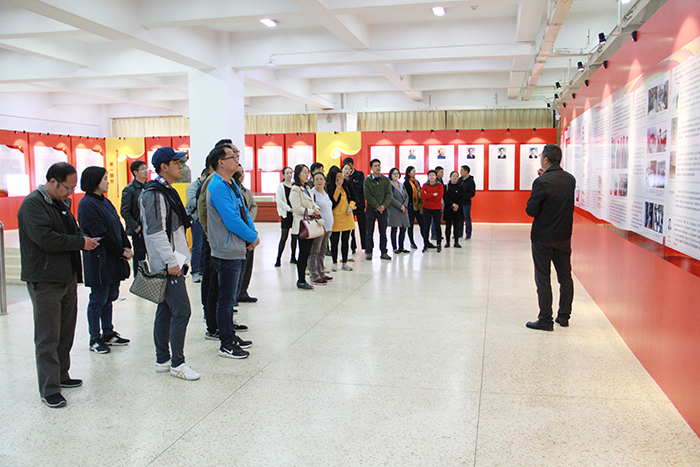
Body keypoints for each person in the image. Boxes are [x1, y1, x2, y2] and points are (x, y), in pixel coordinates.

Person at [18, 162, 100, 408]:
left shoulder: (61, 204)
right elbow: (47, 239)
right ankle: (49, 388)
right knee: (48, 336)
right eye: (67, 187)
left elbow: (72, 231)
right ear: (53, 182)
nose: (70, 193)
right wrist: (80, 242)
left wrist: (83, 239)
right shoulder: (33, 204)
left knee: (65, 331)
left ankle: (62, 374)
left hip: (66, 276)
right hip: (45, 279)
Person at [140, 147, 199, 380]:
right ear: (164, 166)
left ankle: (163, 360)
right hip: (168, 263)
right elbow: (155, 231)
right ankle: (177, 363)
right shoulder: (155, 193)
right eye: (176, 162)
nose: (181, 166)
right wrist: (170, 261)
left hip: (174, 260)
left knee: (165, 310)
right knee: (182, 310)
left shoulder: (167, 190)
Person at [206, 145, 258, 358]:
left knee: (231, 298)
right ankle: (226, 343)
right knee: (226, 300)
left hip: (238, 248)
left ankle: (230, 335)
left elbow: (244, 211)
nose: (237, 159)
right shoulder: (217, 186)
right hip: (226, 250)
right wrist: (251, 237)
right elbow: (231, 219)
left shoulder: (231, 183)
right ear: (221, 162)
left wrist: (252, 234)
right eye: (232, 156)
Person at [78, 166, 133, 354]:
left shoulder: (105, 201)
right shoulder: (87, 204)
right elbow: (100, 233)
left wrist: (126, 245)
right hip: (99, 258)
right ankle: (95, 337)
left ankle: (108, 332)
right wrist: (120, 251)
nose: (108, 182)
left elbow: (118, 225)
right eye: (104, 178)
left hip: (113, 257)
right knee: (98, 299)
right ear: (94, 181)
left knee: (109, 297)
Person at [525, 144, 576, 331]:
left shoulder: (541, 182)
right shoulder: (570, 179)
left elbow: (531, 210)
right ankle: (564, 316)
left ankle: (545, 318)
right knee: (565, 277)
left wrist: (541, 179)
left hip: (543, 237)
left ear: (545, 160)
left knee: (543, 277)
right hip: (563, 236)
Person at [290, 164, 320, 290]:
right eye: (304, 172)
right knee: (303, 253)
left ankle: (303, 279)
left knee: (308, 252)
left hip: (310, 223)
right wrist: (312, 211)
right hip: (302, 224)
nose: (307, 174)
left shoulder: (307, 187)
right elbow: (297, 208)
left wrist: (316, 209)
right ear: (298, 174)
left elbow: (313, 203)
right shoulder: (295, 189)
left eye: (308, 172)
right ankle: (301, 280)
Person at [234, 170, 259, 303]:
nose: (241, 175)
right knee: (237, 265)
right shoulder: (228, 190)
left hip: (248, 228)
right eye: (239, 173)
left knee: (248, 263)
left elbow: (253, 206)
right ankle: (234, 294)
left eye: (243, 172)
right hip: (237, 231)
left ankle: (243, 291)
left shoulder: (246, 192)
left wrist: (249, 219)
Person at [121, 160, 148, 273]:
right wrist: (136, 227)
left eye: (146, 168)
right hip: (139, 229)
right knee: (139, 256)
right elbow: (124, 211)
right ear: (135, 172)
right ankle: (139, 279)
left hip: (150, 227)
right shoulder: (129, 189)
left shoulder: (149, 187)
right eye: (142, 169)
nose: (145, 171)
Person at [327, 165, 356, 271]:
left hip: (347, 216)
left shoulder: (347, 185)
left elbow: (354, 197)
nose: (341, 179)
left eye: (341, 176)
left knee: (345, 240)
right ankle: (334, 262)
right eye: (338, 177)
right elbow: (333, 202)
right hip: (335, 217)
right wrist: (338, 188)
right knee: (334, 241)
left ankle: (344, 262)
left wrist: (350, 206)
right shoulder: (329, 186)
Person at [363, 159, 392, 261]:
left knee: (383, 232)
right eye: (375, 166)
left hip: (383, 210)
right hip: (371, 209)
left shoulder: (385, 180)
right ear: (371, 168)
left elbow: (389, 194)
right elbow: (367, 195)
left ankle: (384, 252)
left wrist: (383, 206)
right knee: (369, 232)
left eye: (379, 165)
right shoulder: (367, 181)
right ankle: (369, 252)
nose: (378, 168)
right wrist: (377, 206)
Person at [309, 171, 334, 285]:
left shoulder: (325, 192)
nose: (319, 181)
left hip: (328, 227)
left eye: (321, 179)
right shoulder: (312, 193)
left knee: (323, 251)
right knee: (315, 251)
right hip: (319, 227)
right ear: (313, 181)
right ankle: (314, 276)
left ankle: (321, 273)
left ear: (325, 181)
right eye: (317, 179)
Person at [185, 168, 207, 282]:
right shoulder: (193, 186)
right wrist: (206, 202)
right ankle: (195, 271)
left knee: (206, 246)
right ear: (202, 175)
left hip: (208, 220)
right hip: (197, 219)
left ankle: (203, 269)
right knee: (198, 246)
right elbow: (191, 201)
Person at [275, 167, 297, 266]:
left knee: (294, 237)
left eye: (290, 173)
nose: (289, 175)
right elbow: (279, 201)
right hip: (286, 214)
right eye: (287, 173)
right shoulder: (281, 186)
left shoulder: (294, 186)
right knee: (284, 237)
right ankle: (278, 258)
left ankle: (293, 257)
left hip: (295, 214)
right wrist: (289, 209)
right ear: (283, 175)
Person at [344, 157, 366, 254]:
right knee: (351, 228)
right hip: (349, 206)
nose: (348, 170)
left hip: (359, 204)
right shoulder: (343, 178)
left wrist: (350, 183)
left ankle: (365, 246)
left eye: (349, 167)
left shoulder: (359, 174)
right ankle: (353, 247)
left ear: (352, 165)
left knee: (363, 225)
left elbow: (360, 187)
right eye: (346, 168)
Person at [403, 166, 429, 250]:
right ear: (408, 173)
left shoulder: (416, 182)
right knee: (410, 225)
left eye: (415, 171)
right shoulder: (406, 183)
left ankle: (426, 241)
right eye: (413, 171)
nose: (414, 173)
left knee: (423, 224)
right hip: (410, 206)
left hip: (418, 206)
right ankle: (412, 242)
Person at [387, 167, 410, 254]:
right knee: (394, 229)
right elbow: (391, 198)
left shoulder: (401, 184)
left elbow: (406, 196)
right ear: (391, 175)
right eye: (394, 174)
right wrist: (400, 206)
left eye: (397, 173)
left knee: (403, 229)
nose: (396, 175)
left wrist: (404, 205)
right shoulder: (389, 185)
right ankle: (394, 248)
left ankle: (401, 247)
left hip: (403, 210)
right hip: (395, 209)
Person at [421, 169, 444, 253]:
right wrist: (433, 194)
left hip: (437, 208)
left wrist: (428, 196)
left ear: (436, 176)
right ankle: (425, 244)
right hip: (426, 208)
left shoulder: (440, 185)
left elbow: (439, 197)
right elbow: (423, 195)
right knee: (426, 226)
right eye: (430, 175)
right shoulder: (425, 185)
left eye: (433, 175)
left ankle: (439, 244)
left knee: (437, 226)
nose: (431, 177)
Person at [443, 171, 464, 248]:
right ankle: (447, 242)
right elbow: (445, 197)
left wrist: (457, 205)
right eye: (453, 176)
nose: (455, 178)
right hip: (449, 208)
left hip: (457, 208)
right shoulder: (446, 187)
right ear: (450, 177)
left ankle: (456, 242)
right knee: (448, 226)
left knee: (456, 226)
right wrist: (452, 204)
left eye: (456, 176)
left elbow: (462, 197)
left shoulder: (460, 187)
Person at [460, 165, 476, 240]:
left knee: (467, 219)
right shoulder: (460, 180)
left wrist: (464, 196)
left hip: (466, 203)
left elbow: (472, 193)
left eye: (462, 170)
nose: (460, 172)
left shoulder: (470, 181)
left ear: (466, 171)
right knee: (459, 218)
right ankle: (459, 233)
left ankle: (468, 234)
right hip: (459, 202)